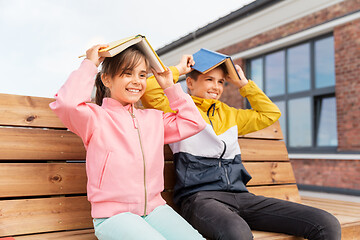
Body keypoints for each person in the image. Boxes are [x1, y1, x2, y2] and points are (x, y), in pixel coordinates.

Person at [141, 54, 341, 240]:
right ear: (190, 83)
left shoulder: (232, 115)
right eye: (209, 79)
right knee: (238, 234)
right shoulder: (179, 109)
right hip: (200, 199)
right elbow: (149, 90)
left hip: (241, 196)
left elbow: (269, 113)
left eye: (221, 82)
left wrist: (243, 84)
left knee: (326, 223)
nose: (216, 87)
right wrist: (179, 69)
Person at [49, 44, 207, 240]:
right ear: (107, 79)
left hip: (155, 210)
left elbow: (194, 123)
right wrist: (90, 64)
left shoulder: (154, 119)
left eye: (142, 75)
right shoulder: (95, 118)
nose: (136, 81)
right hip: (113, 217)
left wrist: (169, 86)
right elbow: (67, 104)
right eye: (127, 73)